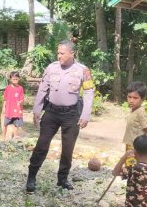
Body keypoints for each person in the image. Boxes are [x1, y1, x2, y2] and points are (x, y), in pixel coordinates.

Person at [26, 40, 95, 192]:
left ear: (72, 53)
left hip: (71, 114)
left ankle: (62, 179)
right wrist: (37, 110)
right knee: (41, 145)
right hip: (51, 112)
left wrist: (86, 114)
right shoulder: (51, 68)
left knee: (68, 149)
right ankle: (31, 177)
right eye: (58, 53)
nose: (59, 56)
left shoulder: (82, 70)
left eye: (62, 53)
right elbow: (43, 89)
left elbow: (89, 92)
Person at [121, 82, 147, 168]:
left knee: (134, 168)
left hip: (137, 149)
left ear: (142, 99)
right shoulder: (133, 110)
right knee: (129, 167)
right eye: (129, 97)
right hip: (130, 146)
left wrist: (146, 151)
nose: (131, 100)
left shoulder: (140, 113)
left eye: (135, 98)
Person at [2, 71, 25, 140]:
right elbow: (5, 99)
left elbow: (22, 98)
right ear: (10, 79)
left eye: (16, 79)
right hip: (9, 109)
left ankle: (15, 137)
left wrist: (20, 102)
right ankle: (3, 138)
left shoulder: (20, 88)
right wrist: (4, 107)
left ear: (19, 79)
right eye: (13, 79)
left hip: (17, 110)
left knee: (16, 124)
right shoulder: (8, 88)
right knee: (5, 124)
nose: (15, 80)